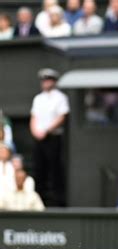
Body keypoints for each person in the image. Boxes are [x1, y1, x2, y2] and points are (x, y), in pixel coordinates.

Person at [30, 68, 70, 206]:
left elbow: (62, 117)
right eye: (44, 80)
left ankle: (58, 202)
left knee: (55, 170)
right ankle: (37, 201)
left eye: (48, 80)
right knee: (38, 169)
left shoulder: (60, 97)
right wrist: (36, 131)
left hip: (53, 138)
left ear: (53, 81)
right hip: (39, 138)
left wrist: (46, 130)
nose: (45, 82)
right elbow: (34, 117)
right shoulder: (38, 98)